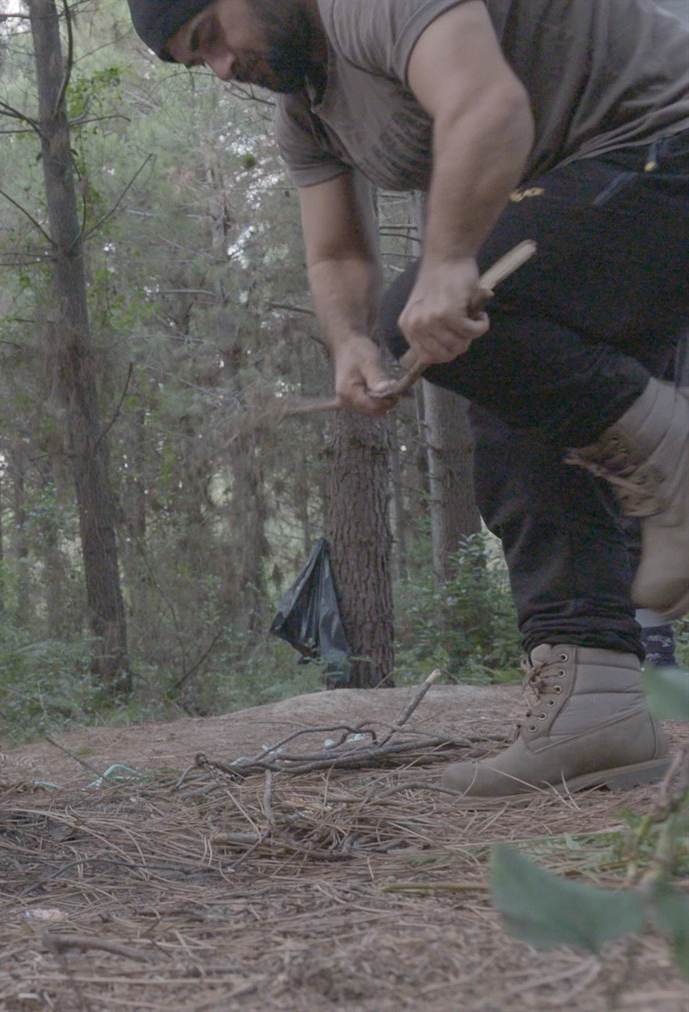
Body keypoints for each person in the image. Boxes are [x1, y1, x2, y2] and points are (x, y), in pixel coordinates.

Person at [128, 0, 689, 796]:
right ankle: (595, 712)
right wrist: (351, 342)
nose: (223, 68)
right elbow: (334, 251)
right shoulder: (307, 110)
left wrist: (450, 259)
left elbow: (487, 105)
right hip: (590, 191)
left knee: (439, 314)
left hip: (665, 145)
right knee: (505, 398)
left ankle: (675, 460)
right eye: (199, 62)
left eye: (213, 35)